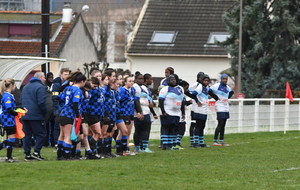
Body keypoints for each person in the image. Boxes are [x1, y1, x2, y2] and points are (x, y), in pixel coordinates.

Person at [57, 71, 86, 160]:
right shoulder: (77, 90)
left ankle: (60, 155)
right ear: (82, 81)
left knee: (62, 135)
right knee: (67, 136)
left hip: (62, 112)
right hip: (69, 114)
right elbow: (75, 103)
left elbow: (60, 97)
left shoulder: (67, 88)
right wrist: (77, 114)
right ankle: (67, 156)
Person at [21, 72, 47, 161]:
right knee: (41, 135)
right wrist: (45, 112)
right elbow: (41, 102)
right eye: (44, 77)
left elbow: (22, 100)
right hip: (36, 115)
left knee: (27, 135)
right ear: (39, 78)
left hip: (25, 114)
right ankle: (36, 152)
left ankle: (27, 154)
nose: (45, 79)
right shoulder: (40, 87)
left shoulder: (25, 87)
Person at [0, 78, 26, 162]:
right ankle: (9, 157)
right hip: (8, 119)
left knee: (11, 138)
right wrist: (17, 113)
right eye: (14, 85)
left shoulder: (8, 95)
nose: (15, 87)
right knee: (12, 138)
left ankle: (9, 157)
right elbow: (9, 109)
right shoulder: (7, 96)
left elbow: (12, 107)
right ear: (11, 85)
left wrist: (20, 109)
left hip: (8, 119)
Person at [159, 74, 185, 150]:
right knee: (166, 128)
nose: (173, 81)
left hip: (176, 113)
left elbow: (182, 101)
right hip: (167, 112)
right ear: (168, 81)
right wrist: (163, 111)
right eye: (171, 79)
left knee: (174, 129)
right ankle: (165, 145)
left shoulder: (180, 89)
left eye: (174, 79)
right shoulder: (165, 89)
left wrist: (183, 113)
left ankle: (172, 145)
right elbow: (161, 100)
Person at [208, 74, 234, 146]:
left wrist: (227, 98)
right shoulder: (217, 85)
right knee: (220, 123)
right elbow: (209, 90)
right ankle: (215, 141)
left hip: (226, 106)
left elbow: (232, 92)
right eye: (224, 79)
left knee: (224, 124)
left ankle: (222, 140)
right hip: (219, 106)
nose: (225, 80)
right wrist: (216, 98)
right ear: (221, 79)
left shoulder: (227, 87)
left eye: (226, 79)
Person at [191, 74, 210, 148]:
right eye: (205, 80)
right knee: (198, 126)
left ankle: (201, 142)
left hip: (204, 109)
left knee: (202, 126)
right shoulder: (200, 87)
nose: (206, 82)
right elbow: (193, 93)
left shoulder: (207, 88)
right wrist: (197, 100)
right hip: (199, 109)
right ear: (202, 81)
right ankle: (195, 143)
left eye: (208, 81)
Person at [186, 72, 205, 147]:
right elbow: (188, 91)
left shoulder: (204, 86)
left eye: (202, 77)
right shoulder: (195, 85)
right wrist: (195, 100)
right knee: (194, 124)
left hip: (201, 108)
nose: (201, 78)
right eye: (200, 77)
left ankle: (200, 141)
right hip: (194, 108)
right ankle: (192, 141)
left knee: (201, 125)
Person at [52, 68, 70, 145]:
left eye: (68, 74)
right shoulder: (56, 85)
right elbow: (54, 97)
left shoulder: (69, 84)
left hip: (67, 109)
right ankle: (57, 142)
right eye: (65, 74)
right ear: (61, 74)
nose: (67, 76)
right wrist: (57, 107)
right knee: (57, 126)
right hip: (59, 108)